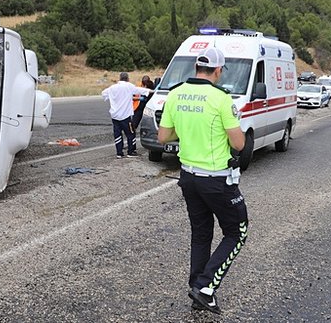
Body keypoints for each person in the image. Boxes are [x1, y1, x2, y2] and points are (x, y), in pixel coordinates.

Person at [157, 47, 248, 315]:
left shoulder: (175, 94)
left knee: (201, 233)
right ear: (218, 71)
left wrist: (187, 132)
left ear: (196, 68)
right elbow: (239, 143)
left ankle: (197, 285)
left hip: (188, 176)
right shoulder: (221, 99)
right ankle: (206, 287)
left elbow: (163, 138)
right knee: (237, 231)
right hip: (217, 179)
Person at [101, 72, 152, 158]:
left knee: (117, 134)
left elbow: (104, 94)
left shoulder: (112, 88)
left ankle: (119, 153)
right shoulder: (129, 86)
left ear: (119, 78)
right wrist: (152, 91)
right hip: (125, 116)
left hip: (115, 116)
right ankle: (131, 152)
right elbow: (140, 90)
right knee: (131, 133)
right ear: (128, 79)